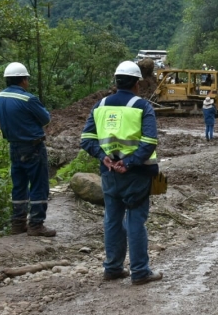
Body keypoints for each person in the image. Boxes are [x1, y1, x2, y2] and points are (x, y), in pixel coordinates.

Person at [80, 61, 163, 285]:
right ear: (137, 83)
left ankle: (113, 268)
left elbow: (86, 140)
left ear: (116, 82)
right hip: (136, 174)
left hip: (109, 173)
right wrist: (130, 162)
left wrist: (103, 156)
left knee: (113, 219)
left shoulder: (100, 105)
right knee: (136, 220)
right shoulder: (142, 106)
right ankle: (140, 271)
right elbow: (149, 141)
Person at [0, 62, 56, 237]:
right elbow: (46, 119)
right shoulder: (28, 98)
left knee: (19, 185)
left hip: (14, 146)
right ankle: (36, 224)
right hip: (33, 146)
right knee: (39, 184)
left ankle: (18, 223)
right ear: (23, 80)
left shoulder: (1, 96)